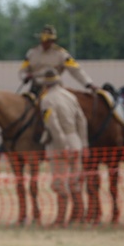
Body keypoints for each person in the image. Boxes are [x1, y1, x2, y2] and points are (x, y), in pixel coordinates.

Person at [39, 68, 88, 226]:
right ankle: (80, 215)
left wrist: (62, 146)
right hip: (76, 141)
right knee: (75, 182)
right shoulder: (70, 96)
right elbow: (82, 121)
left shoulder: (47, 100)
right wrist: (83, 144)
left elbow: (54, 126)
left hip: (59, 145)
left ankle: (61, 219)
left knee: (60, 183)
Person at [20, 24, 96, 92]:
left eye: (48, 40)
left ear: (53, 41)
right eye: (43, 40)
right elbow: (23, 70)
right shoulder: (32, 53)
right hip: (35, 88)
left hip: (54, 89)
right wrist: (25, 77)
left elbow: (75, 70)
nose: (45, 43)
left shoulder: (61, 54)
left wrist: (88, 84)